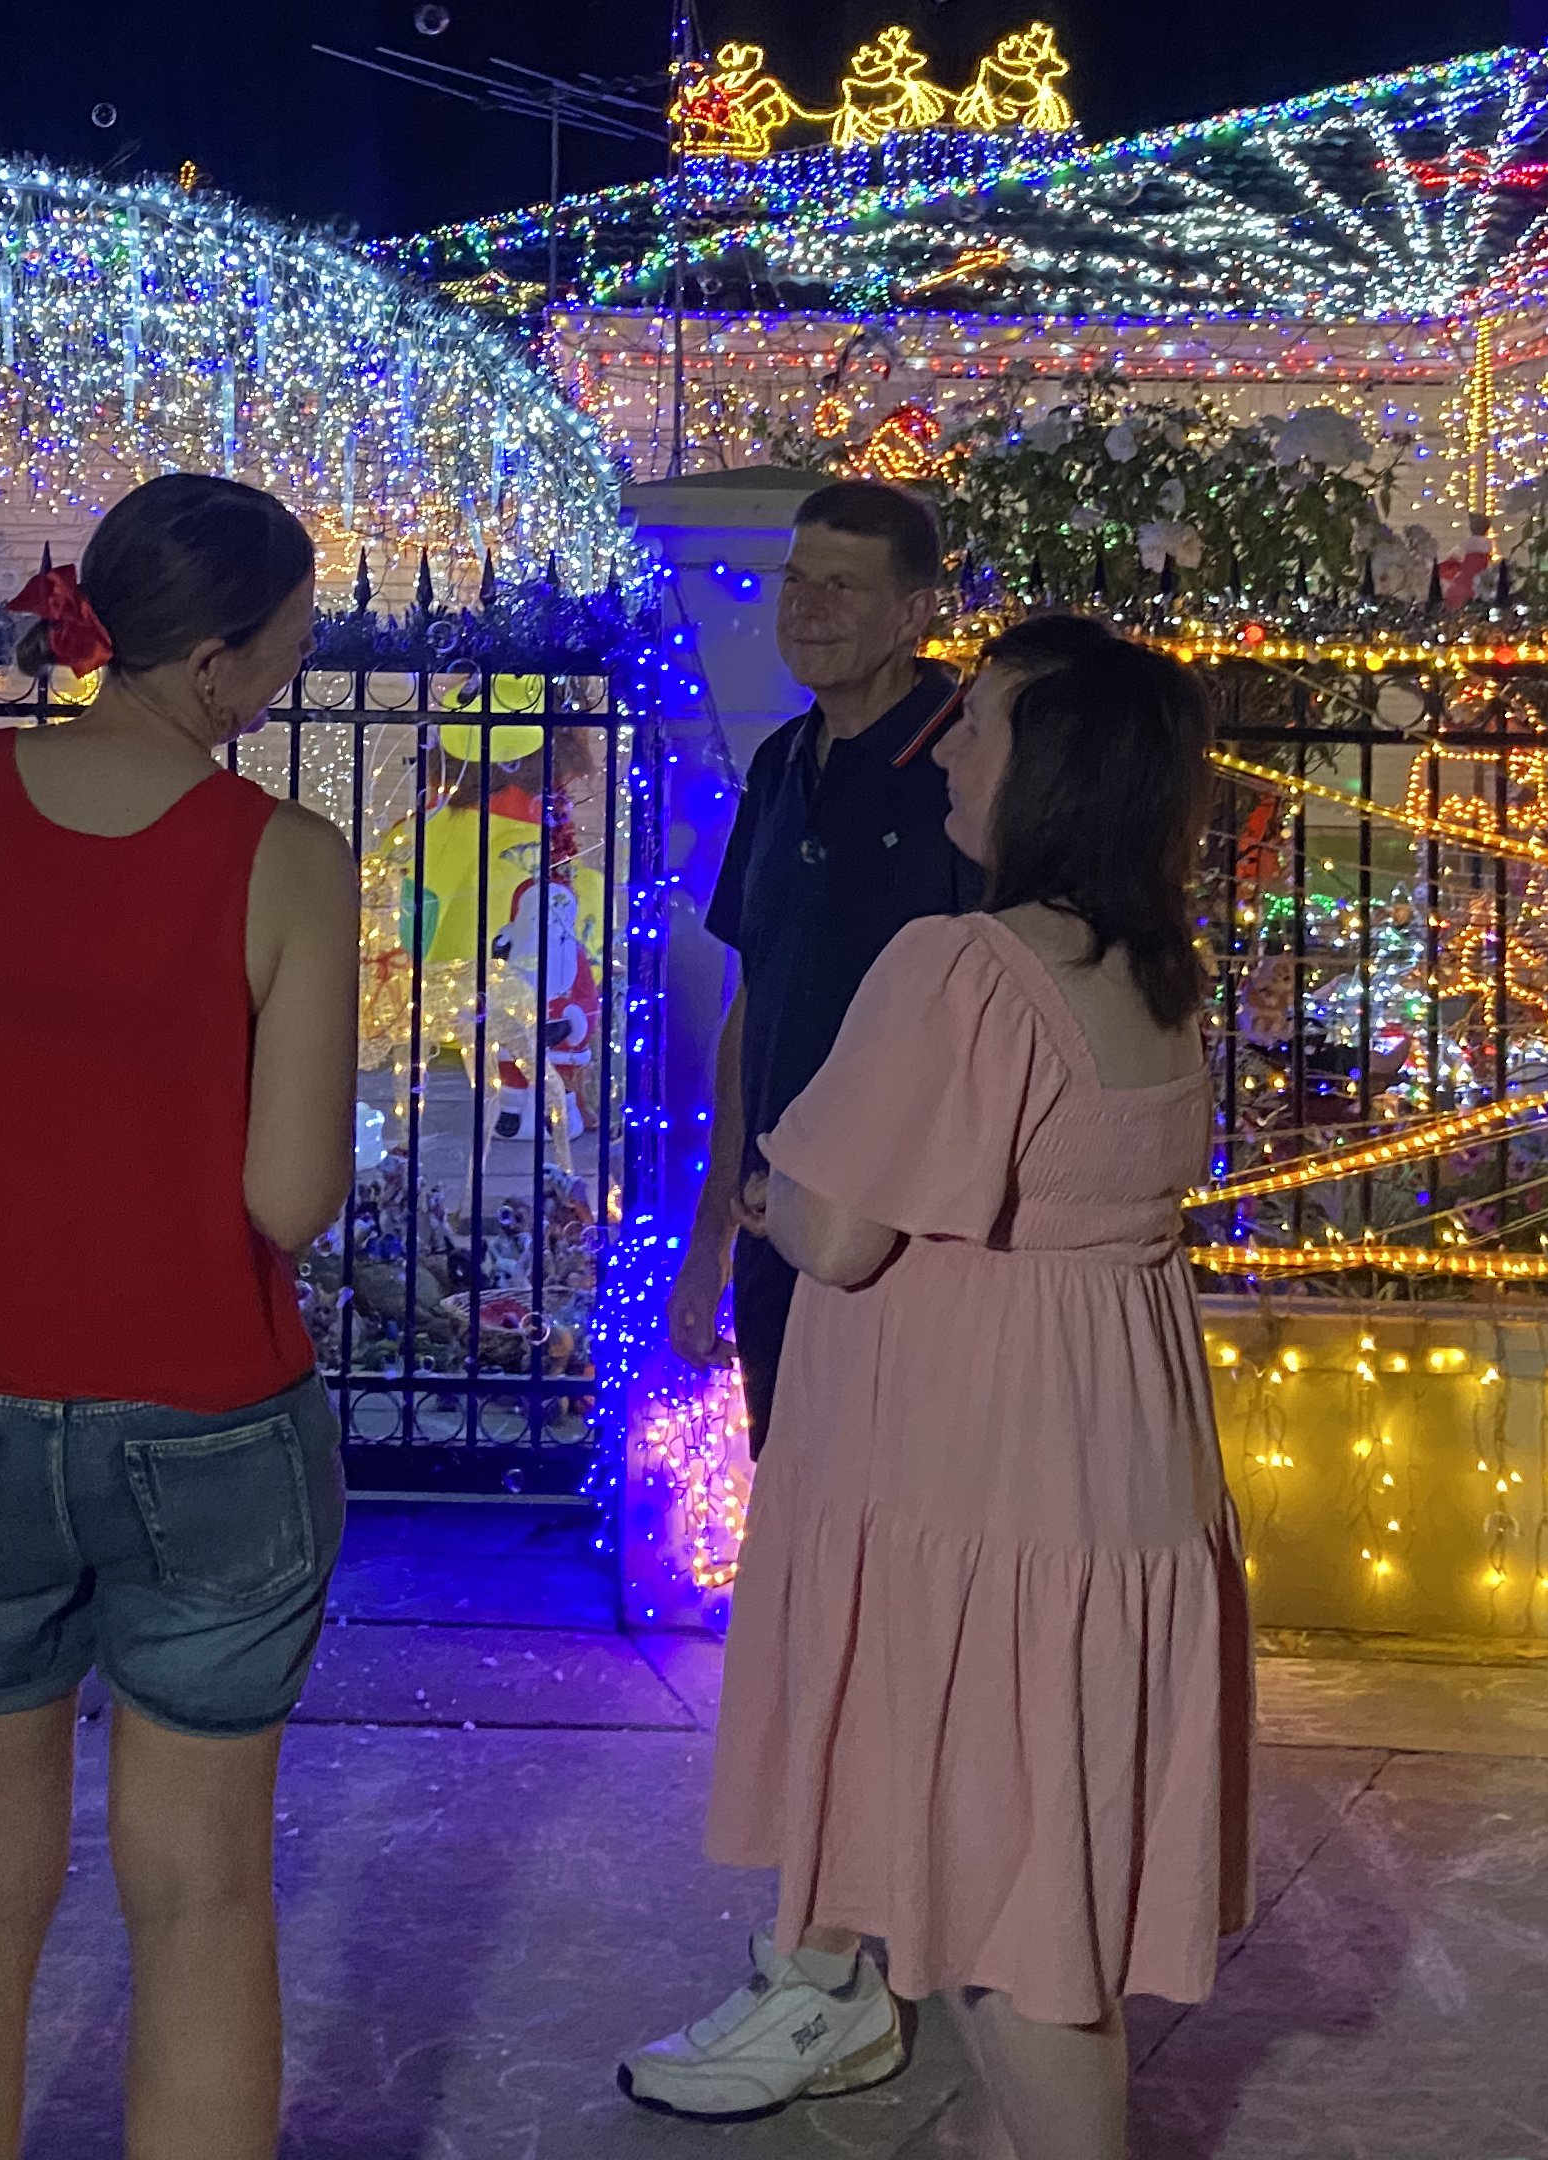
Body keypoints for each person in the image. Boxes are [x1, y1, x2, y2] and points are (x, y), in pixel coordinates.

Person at [0, 473, 361, 2160]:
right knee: (197, 1898)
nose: (294, 659)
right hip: (209, 1418)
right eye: (287, 635)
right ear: (214, 658)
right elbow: (287, 1199)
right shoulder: (283, 856)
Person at [707, 617, 1253, 2160]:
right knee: (1049, 1873)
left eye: (983, 722)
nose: (946, 743)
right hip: (1109, 1451)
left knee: (998, 1892)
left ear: (1055, 772)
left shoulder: (958, 964)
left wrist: (774, 1194)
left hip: (971, 1464)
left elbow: (836, 1226)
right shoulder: (1159, 972)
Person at [622, 476, 975, 2121]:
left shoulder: (968, 764)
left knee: (890, 1591)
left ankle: (851, 1946)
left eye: (847, 582)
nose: (810, 605)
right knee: (814, 1572)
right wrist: (710, 1234)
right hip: (782, 1238)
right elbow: (755, 1003)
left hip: (918, 1254)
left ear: (921, 602)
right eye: (794, 577)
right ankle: (852, 1935)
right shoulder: (780, 766)